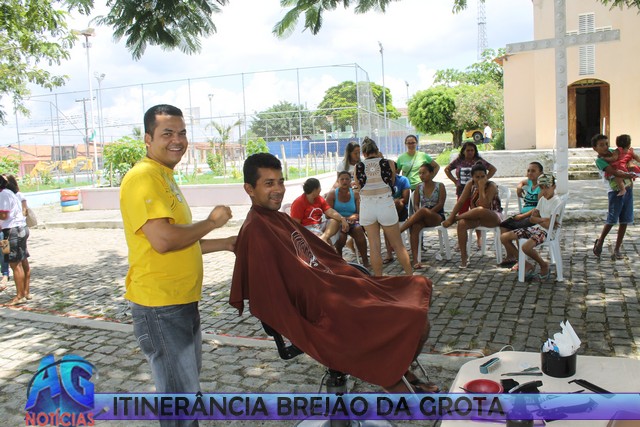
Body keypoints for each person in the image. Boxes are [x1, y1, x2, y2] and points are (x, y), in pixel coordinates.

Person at [231, 152, 436, 393]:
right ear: (249, 188)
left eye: (280, 182)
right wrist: (326, 292)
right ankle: (392, 376)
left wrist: (342, 276)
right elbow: (273, 293)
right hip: (324, 306)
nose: (278, 189)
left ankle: (397, 369)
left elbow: (317, 254)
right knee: (415, 320)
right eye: (269, 183)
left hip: (334, 286)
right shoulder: (257, 229)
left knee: (417, 291)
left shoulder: (278, 218)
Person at [120, 104, 236, 427]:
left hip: (180, 302)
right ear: (148, 139)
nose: (177, 140)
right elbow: (163, 240)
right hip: (160, 306)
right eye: (167, 133)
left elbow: (182, 241)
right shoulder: (143, 178)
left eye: (182, 133)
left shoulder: (163, 176)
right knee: (180, 401)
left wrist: (226, 243)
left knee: (185, 392)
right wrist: (211, 223)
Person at [355, 137, 413, 276]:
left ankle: (378, 279)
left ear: (364, 153)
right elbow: (392, 182)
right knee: (398, 245)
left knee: (374, 247)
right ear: (377, 150)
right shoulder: (389, 163)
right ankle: (410, 276)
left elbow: (359, 187)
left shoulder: (358, 166)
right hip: (385, 204)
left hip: (367, 207)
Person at [500, 174, 561, 281]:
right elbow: (532, 219)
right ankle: (525, 264)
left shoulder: (556, 201)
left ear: (554, 186)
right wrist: (542, 220)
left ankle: (543, 265)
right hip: (537, 228)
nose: (544, 191)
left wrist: (540, 220)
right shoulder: (542, 200)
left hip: (548, 232)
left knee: (526, 247)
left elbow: (548, 225)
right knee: (504, 237)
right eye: (541, 188)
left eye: (547, 187)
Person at [442, 162, 503, 268]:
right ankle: (464, 256)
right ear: (472, 177)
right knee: (462, 223)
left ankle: (455, 219)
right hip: (476, 216)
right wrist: (452, 214)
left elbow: (484, 205)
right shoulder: (470, 184)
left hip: (493, 216)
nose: (480, 179)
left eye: (483, 176)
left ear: (486, 176)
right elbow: (460, 202)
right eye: (477, 177)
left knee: (480, 209)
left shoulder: (491, 186)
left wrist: (481, 188)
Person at [444, 141, 497, 249]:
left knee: (476, 212)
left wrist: (484, 181)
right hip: (462, 190)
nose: (470, 152)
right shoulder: (459, 160)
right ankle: (461, 240)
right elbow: (447, 169)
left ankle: (479, 239)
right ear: (463, 151)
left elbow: (492, 169)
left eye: (472, 150)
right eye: (468, 150)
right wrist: (455, 181)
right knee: (463, 213)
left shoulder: (479, 161)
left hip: (477, 193)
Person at [591, 134, 635, 260]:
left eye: (606, 144)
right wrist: (630, 175)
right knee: (612, 219)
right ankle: (600, 241)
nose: (605, 147)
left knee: (625, 220)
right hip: (615, 192)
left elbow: (626, 159)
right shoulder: (600, 161)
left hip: (628, 188)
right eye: (601, 145)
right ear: (595, 148)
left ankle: (617, 249)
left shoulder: (614, 152)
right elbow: (614, 172)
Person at [399, 163, 447, 269]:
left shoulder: (440, 186)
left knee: (423, 211)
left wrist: (427, 213)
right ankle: (415, 260)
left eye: (424, 173)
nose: (421, 175)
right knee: (415, 226)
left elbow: (440, 204)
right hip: (422, 216)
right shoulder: (419, 187)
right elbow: (415, 204)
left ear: (431, 173)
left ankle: (399, 231)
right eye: (420, 173)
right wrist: (421, 213)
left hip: (436, 216)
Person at [498, 162, 544, 268]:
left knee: (518, 229)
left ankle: (522, 261)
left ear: (540, 173)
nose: (530, 173)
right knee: (503, 225)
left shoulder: (542, 187)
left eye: (533, 171)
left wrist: (522, 216)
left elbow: (538, 208)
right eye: (528, 170)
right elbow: (522, 182)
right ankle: (511, 255)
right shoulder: (530, 182)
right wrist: (519, 187)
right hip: (523, 214)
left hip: (533, 217)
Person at [325, 171, 369, 267]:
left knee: (358, 230)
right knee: (341, 236)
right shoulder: (332, 194)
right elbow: (327, 215)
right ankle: (339, 261)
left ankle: (365, 261)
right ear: (338, 181)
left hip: (352, 222)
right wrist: (343, 219)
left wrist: (355, 216)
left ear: (350, 181)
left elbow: (360, 212)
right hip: (337, 223)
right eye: (342, 179)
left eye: (347, 179)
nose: (344, 181)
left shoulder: (355, 194)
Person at [290, 178, 348, 245]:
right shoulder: (299, 202)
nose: (321, 189)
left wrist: (342, 219)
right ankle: (324, 241)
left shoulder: (319, 199)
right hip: (307, 229)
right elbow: (295, 224)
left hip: (319, 226)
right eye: (319, 187)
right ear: (314, 190)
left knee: (335, 221)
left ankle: (323, 238)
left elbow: (329, 211)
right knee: (327, 244)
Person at [0, 175, 30, 305]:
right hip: (14, 230)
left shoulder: (3, 194)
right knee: (20, 260)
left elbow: (4, 215)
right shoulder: (9, 193)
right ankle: (24, 292)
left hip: (12, 231)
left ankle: (20, 295)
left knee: (15, 264)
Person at [382, 160, 411, 264]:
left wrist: (393, 202)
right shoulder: (382, 182)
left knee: (397, 203)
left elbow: (405, 199)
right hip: (386, 210)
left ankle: (395, 246)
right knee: (385, 221)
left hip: (401, 210)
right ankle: (389, 253)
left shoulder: (403, 180)